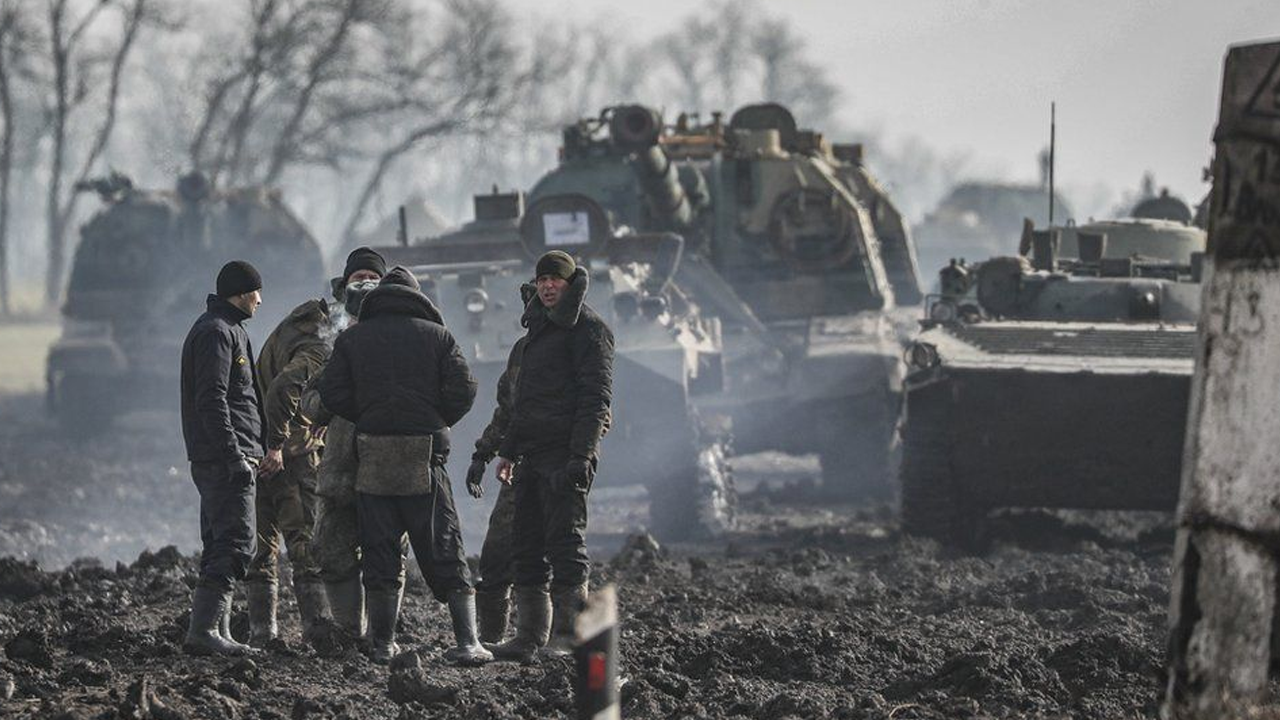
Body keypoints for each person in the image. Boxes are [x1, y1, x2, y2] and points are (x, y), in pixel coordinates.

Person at [317, 266, 491, 665]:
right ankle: (468, 642)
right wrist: (434, 418)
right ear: (417, 297)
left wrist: (368, 415)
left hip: (373, 456)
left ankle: (382, 645)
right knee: (444, 547)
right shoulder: (438, 336)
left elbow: (332, 392)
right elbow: (464, 389)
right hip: (424, 456)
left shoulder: (352, 338)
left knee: (380, 553)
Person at [488, 251, 614, 662]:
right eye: (541, 280)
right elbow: (524, 402)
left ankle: (568, 636)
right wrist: (507, 451)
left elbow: (596, 400)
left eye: (554, 280)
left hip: (565, 455)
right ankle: (528, 636)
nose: (546, 287)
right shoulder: (537, 330)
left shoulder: (590, 330)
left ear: (568, 283)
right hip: (530, 455)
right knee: (525, 545)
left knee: (565, 545)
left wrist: (582, 455)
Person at [179, 260, 266, 656]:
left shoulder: (229, 329)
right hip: (225, 459)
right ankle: (206, 632)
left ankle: (219, 633)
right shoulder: (216, 333)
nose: (260, 300)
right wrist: (235, 456)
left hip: (227, 456)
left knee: (220, 541)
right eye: (255, 292)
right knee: (235, 543)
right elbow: (212, 401)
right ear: (241, 293)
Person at [305, 247, 386, 639]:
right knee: (331, 546)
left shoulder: (404, 334)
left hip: (389, 465)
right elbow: (312, 400)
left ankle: (381, 636)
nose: (365, 285)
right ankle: (349, 631)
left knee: (385, 553)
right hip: (340, 463)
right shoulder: (332, 341)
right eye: (358, 279)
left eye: (373, 277)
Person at [244, 291, 333, 646]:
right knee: (305, 540)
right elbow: (284, 388)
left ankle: (262, 632)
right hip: (291, 453)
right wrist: (279, 444)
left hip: (264, 445)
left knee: (264, 544)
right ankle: (317, 630)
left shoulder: (290, 329)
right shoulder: (317, 345)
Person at [465, 283, 535, 644]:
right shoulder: (522, 351)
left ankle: (557, 641)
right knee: (495, 557)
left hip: (556, 465)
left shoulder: (578, 344)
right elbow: (507, 409)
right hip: (522, 466)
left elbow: (596, 404)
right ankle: (492, 641)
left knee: (559, 559)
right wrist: (483, 453)